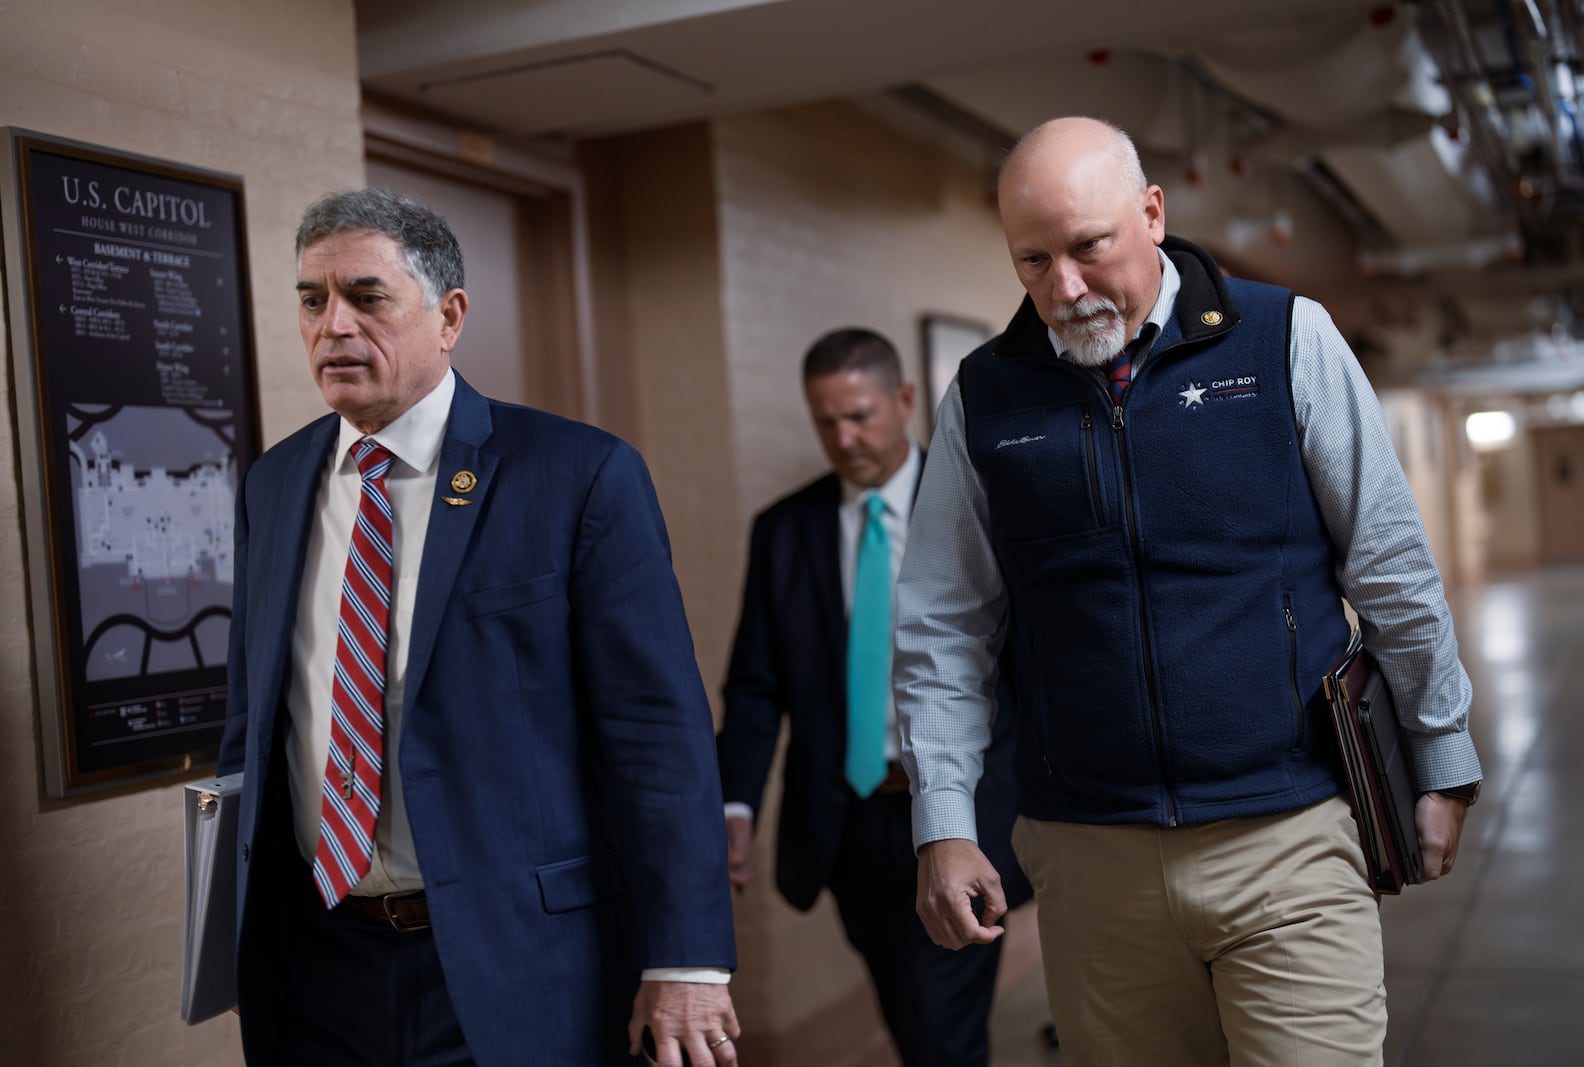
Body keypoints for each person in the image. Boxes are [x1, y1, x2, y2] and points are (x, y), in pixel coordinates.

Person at [894, 117, 1484, 1066]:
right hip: (1091, 859)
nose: (1065, 288)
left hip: (1287, 831)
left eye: (1089, 247)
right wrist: (946, 823)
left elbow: (1391, 563)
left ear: (1153, 213)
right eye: (1032, 260)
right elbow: (943, 629)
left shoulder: (1284, 338)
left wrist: (1442, 754)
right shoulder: (987, 396)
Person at [218, 188, 739, 1067]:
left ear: (450, 314)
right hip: (318, 959)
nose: (333, 325)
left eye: (366, 296)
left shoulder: (576, 474)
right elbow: (254, 718)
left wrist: (687, 957)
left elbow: (658, 733)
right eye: (312, 299)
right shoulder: (274, 485)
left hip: (508, 962)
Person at [716, 328, 1028, 1066]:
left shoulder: (978, 507)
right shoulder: (785, 531)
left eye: (859, 415)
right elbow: (757, 686)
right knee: (911, 1007)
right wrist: (736, 804)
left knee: (936, 1023)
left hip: (962, 812)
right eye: (826, 420)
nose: (844, 437)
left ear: (905, 400)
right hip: (847, 820)